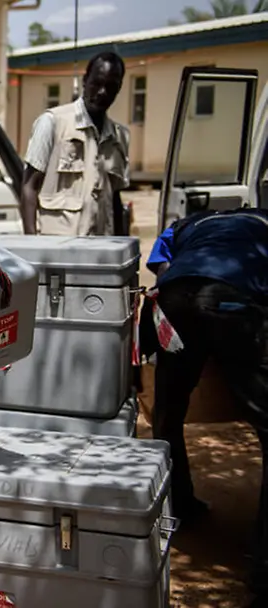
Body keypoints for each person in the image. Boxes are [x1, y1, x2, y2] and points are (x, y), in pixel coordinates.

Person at [143, 207, 268, 604]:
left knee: (168, 412)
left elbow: (160, 269)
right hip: (231, 301)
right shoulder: (263, 225)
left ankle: (177, 509)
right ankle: (264, 566)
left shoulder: (185, 224)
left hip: (175, 297)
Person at [20, 51, 131, 236]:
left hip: (101, 253)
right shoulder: (53, 122)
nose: (102, 92)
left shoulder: (119, 137)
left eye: (110, 86)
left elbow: (115, 200)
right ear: (85, 80)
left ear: (119, 88)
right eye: (96, 83)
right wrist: (32, 246)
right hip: (56, 249)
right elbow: (29, 187)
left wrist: (122, 248)